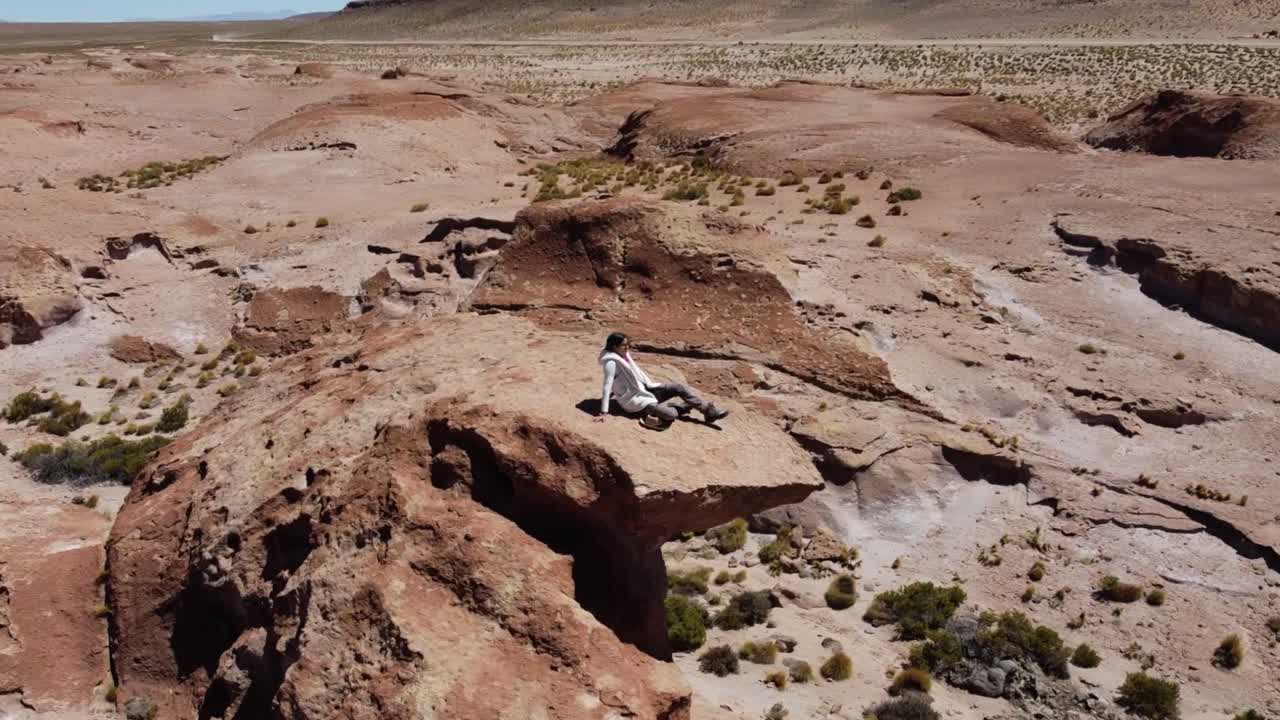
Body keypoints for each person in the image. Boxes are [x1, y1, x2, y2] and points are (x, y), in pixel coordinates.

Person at [596, 331, 730, 429]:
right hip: (637, 401)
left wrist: (618, 390)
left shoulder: (623, 355)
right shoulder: (611, 363)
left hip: (646, 389)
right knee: (670, 414)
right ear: (614, 347)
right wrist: (604, 411)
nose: (627, 348)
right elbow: (607, 385)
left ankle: (709, 412)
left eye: (627, 344)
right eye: (624, 345)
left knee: (679, 388)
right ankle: (678, 407)